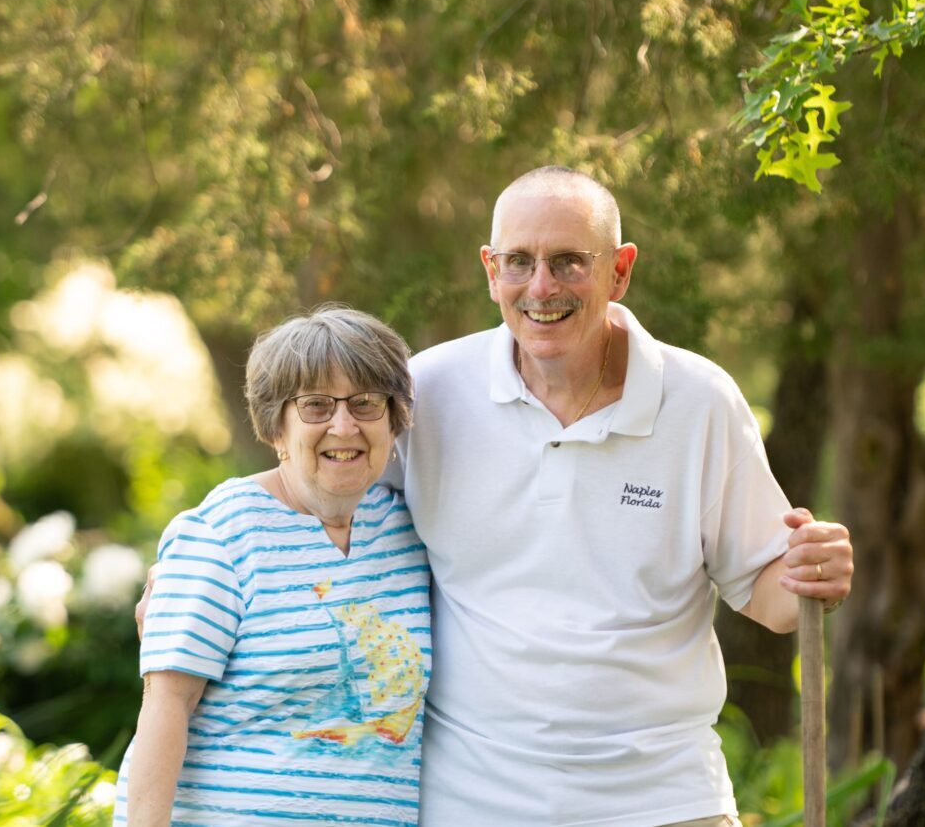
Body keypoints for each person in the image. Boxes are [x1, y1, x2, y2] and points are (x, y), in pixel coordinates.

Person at [389, 165, 852, 827]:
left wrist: (812, 574)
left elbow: (769, 594)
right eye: (519, 262)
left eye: (568, 262)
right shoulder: (427, 391)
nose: (541, 287)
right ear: (490, 270)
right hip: (470, 803)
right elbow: (337, 516)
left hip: (663, 800)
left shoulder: (698, 401)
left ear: (620, 270)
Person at [115, 305, 430, 827]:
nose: (344, 425)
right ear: (276, 427)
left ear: (394, 420)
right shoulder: (224, 533)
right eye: (315, 405)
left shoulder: (409, 529)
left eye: (367, 402)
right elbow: (166, 704)